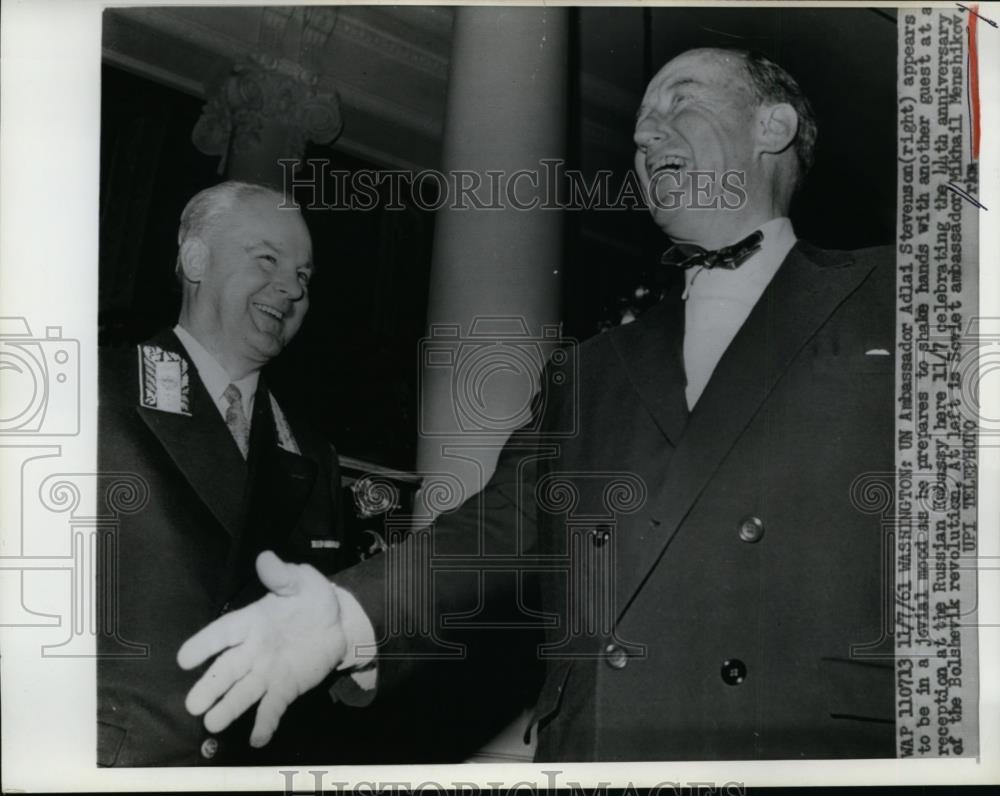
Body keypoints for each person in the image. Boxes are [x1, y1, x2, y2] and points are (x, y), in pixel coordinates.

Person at [177, 49, 896, 761]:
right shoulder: (590, 368)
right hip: (601, 747)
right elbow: (491, 528)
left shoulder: (898, 294)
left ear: (773, 126)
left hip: (805, 748)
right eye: (640, 124)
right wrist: (349, 611)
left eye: (679, 102)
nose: (644, 138)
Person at [97, 181, 357, 766]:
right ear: (195, 259)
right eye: (268, 259)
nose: (291, 288)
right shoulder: (94, 394)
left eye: (305, 276)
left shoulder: (315, 455)